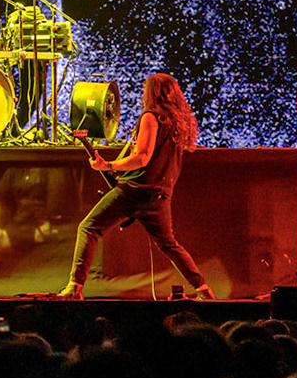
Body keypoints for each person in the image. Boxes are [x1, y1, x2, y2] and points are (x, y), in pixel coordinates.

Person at [60, 72, 215, 300]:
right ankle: (204, 291)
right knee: (170, 245)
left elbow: (142, 158)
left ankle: (74, 288)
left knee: (89, 228)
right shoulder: (176, 122)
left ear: (150, 92)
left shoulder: (151, 117)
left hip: (136, 190)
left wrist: (108, 164)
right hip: (160, 193)